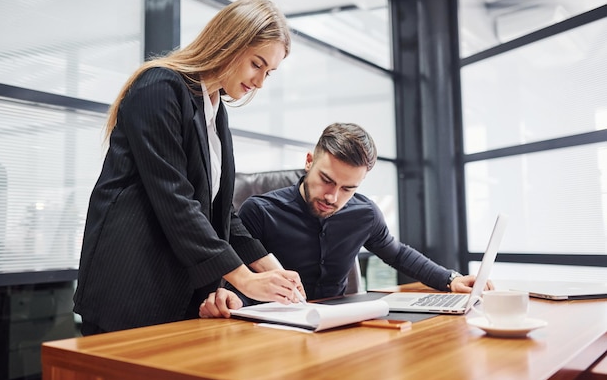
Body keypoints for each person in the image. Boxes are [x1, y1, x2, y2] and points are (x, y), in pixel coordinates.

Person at [73, 0, 305, 335]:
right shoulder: (159, 87)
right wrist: (244, 278)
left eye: (268, 73)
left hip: (174, 289)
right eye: (257, 64)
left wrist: (273, 270)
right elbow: (175, 200)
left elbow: (219, 211)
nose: (259, 82)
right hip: (131, 285)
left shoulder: (215, 110)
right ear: (230, 43)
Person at [199, 122, 493, 318]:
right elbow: (240, 282)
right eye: (326, 180)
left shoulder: (364, 214)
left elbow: (398, 253)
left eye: (348, 188)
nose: (333, 197)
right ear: (309, 162)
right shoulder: (259, 211)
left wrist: (450, 279)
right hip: (274, 327)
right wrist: (233, 302)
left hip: (339, 322)